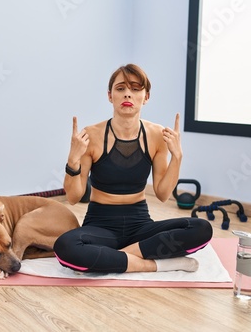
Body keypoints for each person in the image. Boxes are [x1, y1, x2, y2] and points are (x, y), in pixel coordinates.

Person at [53, 64, 213, 274]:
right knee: (65, 247)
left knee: (202, 228)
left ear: (146, 96)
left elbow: (163, 194)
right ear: (110, 96)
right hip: (100, 224)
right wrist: (72, 160)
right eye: (120, 88)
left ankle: (115, 257)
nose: (127, 93)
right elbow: (74, 197)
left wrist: (177, 156)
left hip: (140, 224)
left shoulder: (157, 135)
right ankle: (152, 264)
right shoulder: (91, 135)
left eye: (136, 88)